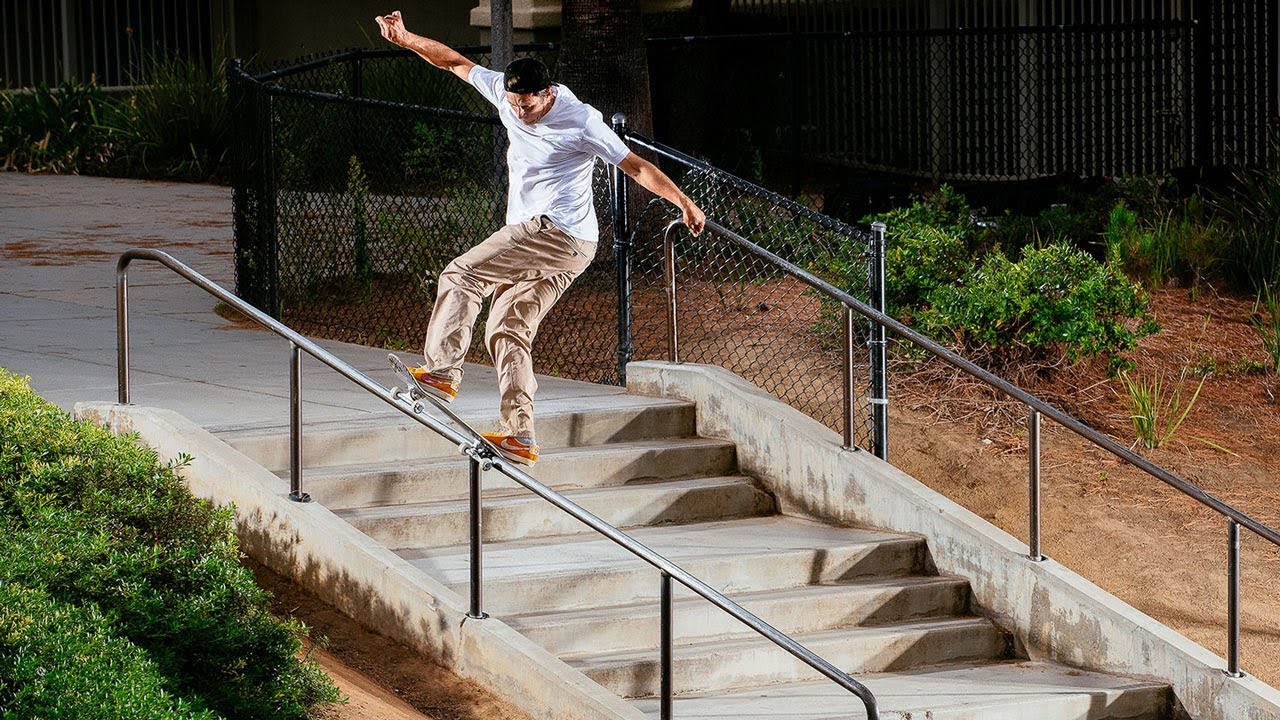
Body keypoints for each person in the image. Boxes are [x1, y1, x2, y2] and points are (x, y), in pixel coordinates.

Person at [376, 10, 705, 466]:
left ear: (548, 94)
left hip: (556, 233)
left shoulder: (581, 121)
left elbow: (636, 166)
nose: (520, 112)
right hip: (571, 250)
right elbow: (453, 62)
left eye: (528, 105)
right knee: (506, 328)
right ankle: (520, 434)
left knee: (462, 273)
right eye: (514, 104)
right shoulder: (505, 93)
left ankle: (441, 373)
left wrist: (683, 202)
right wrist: (406, 36)